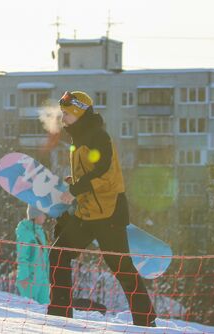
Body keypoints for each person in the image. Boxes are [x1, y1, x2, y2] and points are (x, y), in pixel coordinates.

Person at [47, 91, 157, 327]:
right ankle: (59, 315)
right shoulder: (77, 138)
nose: (62, 117)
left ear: (78, 112)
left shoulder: (98, 137)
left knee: (122, 268)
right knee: (58, 254)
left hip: (109, 215)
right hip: (87, 213)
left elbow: (105, 174)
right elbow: (91, 173)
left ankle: (146, 322)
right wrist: (76, 184)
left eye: (66, 113)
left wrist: (76, 189)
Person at [15, 205, 50, 304]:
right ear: (36, 215)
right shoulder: (26, 233)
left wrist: (47, 275)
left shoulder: (40, 232)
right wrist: (23, 277)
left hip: (42, 278)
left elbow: (44, 256)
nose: (45, 217)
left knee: (44, 309)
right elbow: (22, 257)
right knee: (30, 311)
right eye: (43, 214)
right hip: (30, 279)